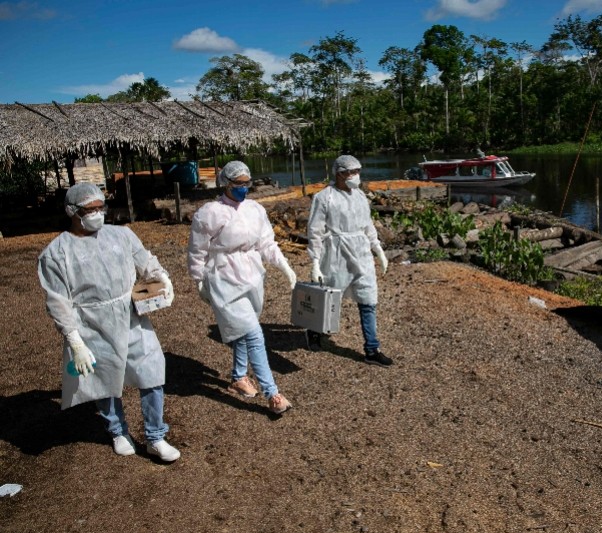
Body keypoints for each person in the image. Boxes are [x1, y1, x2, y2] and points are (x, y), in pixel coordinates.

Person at [38, 182, 181, 462]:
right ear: (72, 211)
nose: (97, 214)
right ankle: (118, 430)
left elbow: (144, 260)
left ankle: (155, 436)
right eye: (89, 210)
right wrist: (75, 341)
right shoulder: (56, 253)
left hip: (129, 314)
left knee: (151, 371)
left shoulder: (121, 235)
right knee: (105, 378)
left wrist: (162, 277)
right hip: (91, 322)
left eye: (100, 208)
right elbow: (58, 301)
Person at [187, 161, 296, 414]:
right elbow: (197, 251)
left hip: (252, 275)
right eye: (239, 184)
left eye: (247, 183)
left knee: (244, 330)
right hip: (224, 277)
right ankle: (273, 394)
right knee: (254, 333)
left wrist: (284, 266)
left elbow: (267, 243)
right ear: (226, 183)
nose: (244, 188)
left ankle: (238, 377)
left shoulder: (255, 210)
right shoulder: (209, 213)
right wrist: (198, 280)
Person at [306, 154, 393, 367]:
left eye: (357, 171)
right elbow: (315, 231)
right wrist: (315, 260)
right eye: (351, 172)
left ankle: (372, 349)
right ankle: (315, 331)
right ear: (339, 173)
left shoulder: (360, 196)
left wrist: (377, 248)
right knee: (330, 297)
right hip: (337, 253)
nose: (355, 176)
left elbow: (367, 225)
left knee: (368, 298)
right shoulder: (324, 197)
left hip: (361, 251)